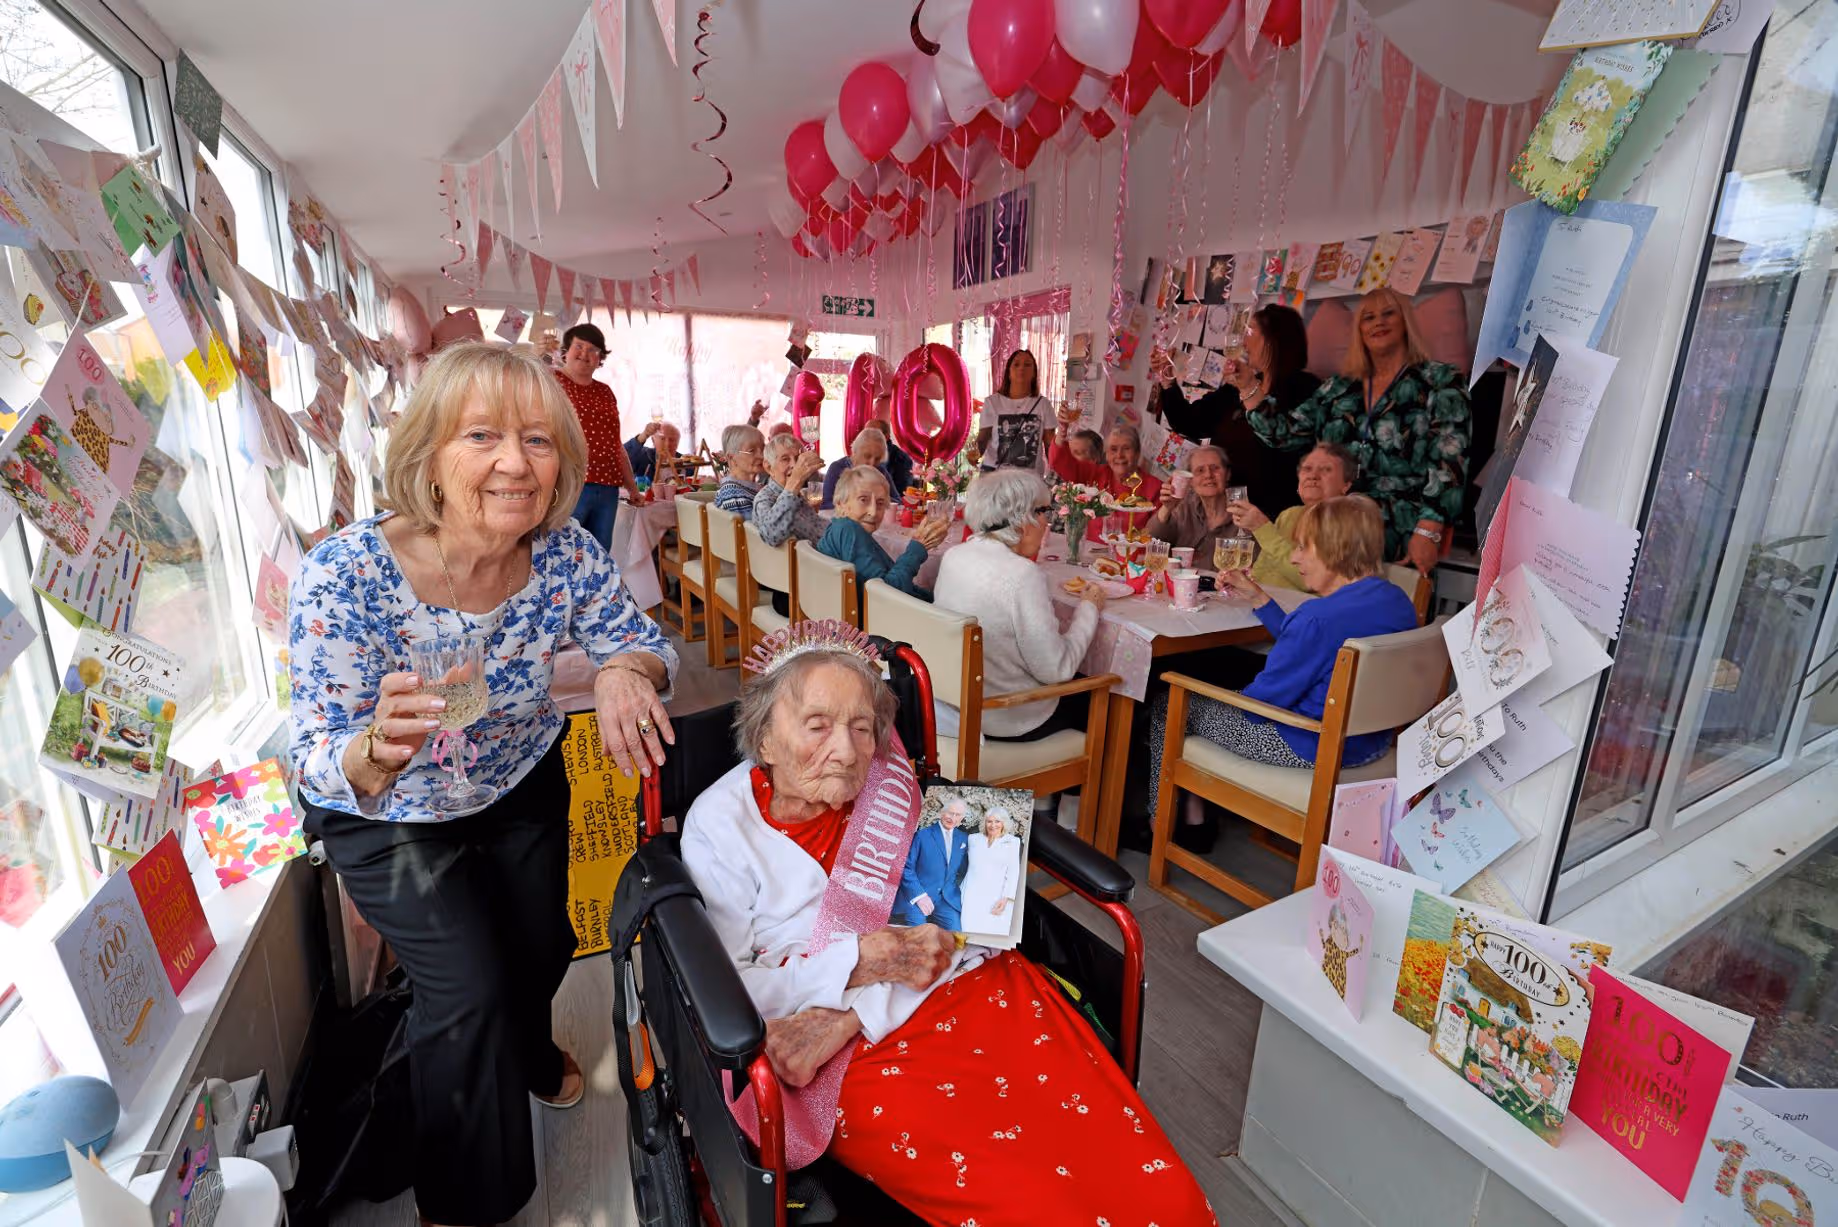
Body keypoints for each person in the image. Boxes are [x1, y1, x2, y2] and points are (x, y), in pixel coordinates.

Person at [289, 343, 678, 1227]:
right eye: (483, 435)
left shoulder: (563, 552)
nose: (516, 462)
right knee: (466, 988)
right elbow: (312, 749)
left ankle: (531, 1046)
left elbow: (649, 642)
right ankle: (467, 1204)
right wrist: (370, 753)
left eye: (540, 441)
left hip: (517, 775)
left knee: (541, 946)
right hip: (390, 810)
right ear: (428, 451)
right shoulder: (345, 576)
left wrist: (626, 672)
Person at [679, 627, 1215, 1225]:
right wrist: (860, 959)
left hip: (960, 990)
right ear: (765, 738)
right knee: (1028, 1200)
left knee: (1146, 1181)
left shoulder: (898, 793)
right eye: (817, 725)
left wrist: (861, 1005)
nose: (849, 750)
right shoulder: (720, 825)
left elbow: (970, 935)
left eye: (862, 727)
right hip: (849, 1053)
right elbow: (730, 991)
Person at [1147, 495, 1417, 852]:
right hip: (1372, 743)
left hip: (1307, 745)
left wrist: (1222, 696)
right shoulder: (1397, 600)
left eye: (1304, 548)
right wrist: (1260, 599)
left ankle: (1160, 824)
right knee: (1219, 680)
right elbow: (1314, 644)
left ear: (1336, 549)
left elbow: (1258, 704)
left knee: (1170, 700)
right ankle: (1194, 806)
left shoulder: (1318, 618)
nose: (1293, 558)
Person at [1247, 288, 1473, 571]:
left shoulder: (1440, 380)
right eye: (1368, 317)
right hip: (1330, 521)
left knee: (1375, 609)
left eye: (1388, 313)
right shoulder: (1338, 388)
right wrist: (1247, 387)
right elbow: (1282, 433)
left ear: (1406, 322)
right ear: (1359, 330)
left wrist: (1428, 530)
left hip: (1398, 525)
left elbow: (1450, 461)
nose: (1378, 322)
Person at [934, 469, 1103, 741]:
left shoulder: (955, 555)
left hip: (952, 707)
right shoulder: (1022, 574)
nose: (1047, 522)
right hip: (1006, 717)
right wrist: (1089, 608)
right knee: (1110, 700)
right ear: (1024, 521)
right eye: (1045, 512)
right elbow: (1056, 669)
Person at [1155, 305, 1318, 518]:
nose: (1243, 342)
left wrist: (1248, 388)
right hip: (1227, 513)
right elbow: (1189, 422)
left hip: (1274, 516)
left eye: (1249, 333)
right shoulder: (1237, 388)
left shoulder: (1304, 389)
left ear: (1273, 339)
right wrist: (1168, 383)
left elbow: (1286, 445)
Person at [552, 322, 639, 551]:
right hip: (571, 484)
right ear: (565, 352)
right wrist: (536, 352)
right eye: (579, 346)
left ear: (600, 358)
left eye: (593, 350)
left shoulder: (605, 391)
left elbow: (615, 444)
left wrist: (632, 488)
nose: (585, 354)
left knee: (600, 556)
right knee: (566, 553)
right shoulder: (552, 382)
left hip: (608, 488)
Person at [1229, 441, 1359, 592]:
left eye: (1325, 469)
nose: (1313, 476)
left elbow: (1313, 583)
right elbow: (1261, 571)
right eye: (1307, 469)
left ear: (1346, 485)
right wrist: (1241, 582)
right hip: (1264, 604)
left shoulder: (1351, 522)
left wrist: (1261, 528)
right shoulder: (1289, 514)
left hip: (1305, 611)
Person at [818, 466, 949, 602]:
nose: (873, 512)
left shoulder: (838, 528)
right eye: (863, 500)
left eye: (880, 503)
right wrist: (918, 546)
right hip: (881, 619)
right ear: (841, 503)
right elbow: (886, 595)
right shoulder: (848, 530)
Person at [1047, 420, 1163, 539]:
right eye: (1113, 449)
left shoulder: (1155, 488)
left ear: (1137, 453)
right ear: (1106, 454)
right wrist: (1062, 432)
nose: (1119, 455)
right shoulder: (1094, 474)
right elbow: (1059, 461)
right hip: (1093, 553)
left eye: (1126, 448)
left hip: (1131, 555)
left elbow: (1157, 534)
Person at [893, 793, 971, 927]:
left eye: (957, 815)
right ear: (942, 812)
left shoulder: (964, 838)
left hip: (946, 899)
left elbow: (966, 869)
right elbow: (906, 867)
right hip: (919, 896)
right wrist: (920, 896)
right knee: (919, 936)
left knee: (956, 935)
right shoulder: (922, 835)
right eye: (950, 813)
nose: (953, 818)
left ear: (962, 818)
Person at [1148, 444, 1238, 560]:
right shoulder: (1184, 508)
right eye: (1200, 470)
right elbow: (1153, 540)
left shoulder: (1242, 516)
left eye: (1215, 468)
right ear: (1190, 481)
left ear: (1228, 474)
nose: (1208, 475)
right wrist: (1167, 508)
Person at [974, 348, 1055, 475]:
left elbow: (1050, 445)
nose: (1021, 368)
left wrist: (1056, 473)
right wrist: (975, 454)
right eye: (1016, 364)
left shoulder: (1043, 404)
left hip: (1030, 480)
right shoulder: (992, 402)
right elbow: (983, 439)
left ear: (1034, 373)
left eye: (1027, 365)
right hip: (995, 477)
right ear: (1009, 372)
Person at [754, 432, 827, 548]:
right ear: (768, 467)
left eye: (798, 459)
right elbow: (770, 535)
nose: (794, 465)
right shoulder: (765, 498)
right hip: (826, 558)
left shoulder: (796, 493)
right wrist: (795, 480)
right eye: (785, 459)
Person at [959, 808, 1022, 936]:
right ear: (985, 823)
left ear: (1003, 823)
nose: (993, 825)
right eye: (989, 821)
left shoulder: (1012, 841)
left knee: (990, 932)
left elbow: (1013, 871)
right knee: (966, 931)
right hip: (970, 893)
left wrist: (1006, 898)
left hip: (996, 894)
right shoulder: (973, 839)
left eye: (997, 821)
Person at [820, 425, 895, 509]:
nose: (872, 463)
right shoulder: (837, 468)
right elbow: (825, 504)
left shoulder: (880, 471)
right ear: (854, 452)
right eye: (867, 456)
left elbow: (897, 501)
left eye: (877, 459)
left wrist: (880, 500)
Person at [714, 423, 767, 518]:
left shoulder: (751, 488)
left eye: (763, 449)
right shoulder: (733, 493)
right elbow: (754, 531)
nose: (761, 456)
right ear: (732, 457)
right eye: (752, 451)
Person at [866, 414, 915, 492]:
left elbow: (901, 491)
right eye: (865, 433)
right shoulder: (859, 455)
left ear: (886, 436)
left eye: (873, 433)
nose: (867, 436)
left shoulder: (900, 458)